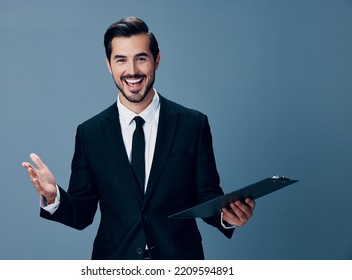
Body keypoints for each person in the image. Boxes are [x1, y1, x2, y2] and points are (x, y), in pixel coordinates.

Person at [22, 16, 255, 260]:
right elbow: (82, 214)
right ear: (109, 65)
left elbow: (206, 195)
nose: (132, 71)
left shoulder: (192, 124)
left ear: (157, 60)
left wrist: (226, 216)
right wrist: (53, 196)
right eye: (121, 60)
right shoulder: (89, 134)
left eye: (141, 58)